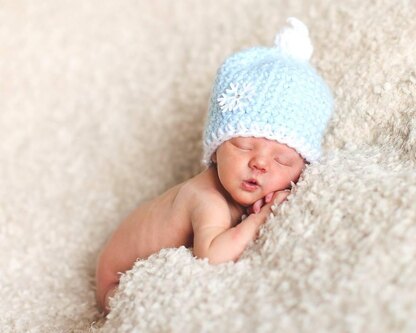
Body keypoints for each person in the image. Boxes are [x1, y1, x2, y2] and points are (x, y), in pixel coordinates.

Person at [95, 17, 333, 314]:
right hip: (115, 283)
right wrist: (260, 218)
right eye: (243, 146)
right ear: (216, 151)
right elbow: (213, 256)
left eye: (281, 159)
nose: (259, 163)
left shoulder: (244, 188)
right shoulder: (207, 198)